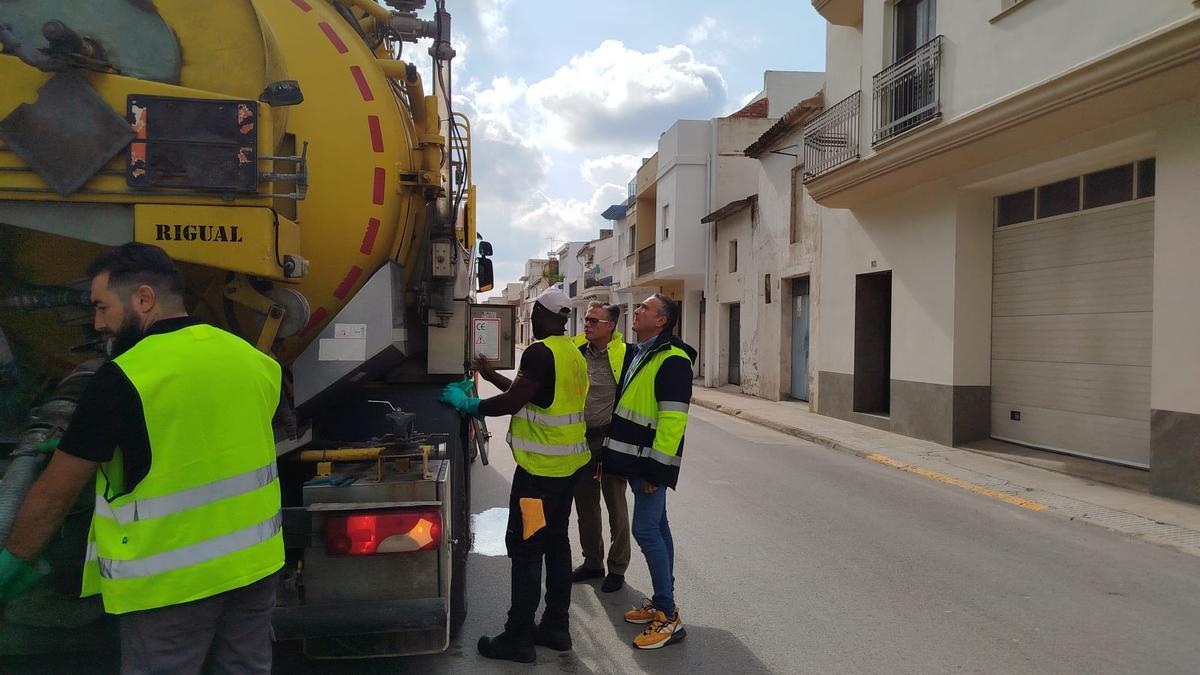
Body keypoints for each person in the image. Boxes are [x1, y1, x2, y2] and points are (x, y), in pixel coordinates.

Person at [0, 242, 284, 674]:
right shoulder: (253, 360)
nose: (98, 324)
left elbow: (54, 495)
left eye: (102, 307)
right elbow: (213, 442)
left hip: (168, 585)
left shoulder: (122, 378)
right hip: (254, 569)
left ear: (144, 299)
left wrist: (13, 561)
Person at [447, 287, 589, 664]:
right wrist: (491, 375)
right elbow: (535, 396)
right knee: (557, 545)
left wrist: (469, 405)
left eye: (535, 313)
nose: (530, 319)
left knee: (526, 552)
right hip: (566, 470)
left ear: (550, 315)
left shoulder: (539, 352)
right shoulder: (572, 353)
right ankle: (557, 628)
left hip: (539, 475)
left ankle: (518, 638)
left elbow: (514, 403)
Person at [602, 293, 695, 650]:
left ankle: (669, 618)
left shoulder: (672, 360)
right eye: (638, 306)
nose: (637, 311)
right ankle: (662, 602)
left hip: (648, 463)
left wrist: (656, 470)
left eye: (644, 308)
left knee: (645, 529)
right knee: (658, 527)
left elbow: (672, 421)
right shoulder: (642, 353)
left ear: (661, 320)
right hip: (635, 459)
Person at [569, 302, 632, 593]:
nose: (587, 324)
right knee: (586, 505)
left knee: (616, 506)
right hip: (582, 440)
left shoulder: (625, 355)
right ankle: (593, 562)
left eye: (594, 321)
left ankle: (617, 568)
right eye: (586, 319)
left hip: (612, 440)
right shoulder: (576, 352)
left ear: (610, 326)